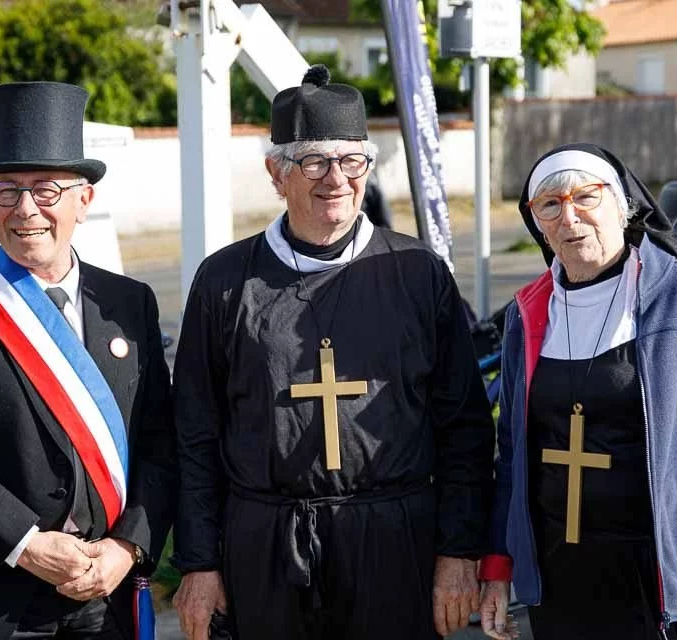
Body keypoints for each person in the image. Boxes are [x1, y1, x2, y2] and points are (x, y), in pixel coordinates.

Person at [170, 65, 494, 640]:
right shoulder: (225, 281)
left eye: (352, 161)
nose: (336, 179)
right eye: (314, 161)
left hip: (394, 542)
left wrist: (459, 551)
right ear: (277, 173)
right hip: (266, 546)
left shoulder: (418, 272)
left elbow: (464, 425)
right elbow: (195, 433)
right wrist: (199, 562)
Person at [0, 81, 177, 639]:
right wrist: (27, 545)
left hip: (107, 595)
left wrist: (127, 546)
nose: (25, 211)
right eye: (6, 190)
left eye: (46, 190)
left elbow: (160, 443)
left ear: (83, 200)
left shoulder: (129, 302)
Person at [477, 143, 677, 640]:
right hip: (559, 582)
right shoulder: (526, 316)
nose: (569, 217)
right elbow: (512, 455)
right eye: (549, 205)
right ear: (537, 223)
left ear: (623, 204)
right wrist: (499, 565)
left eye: (585, 197)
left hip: (661, 580)